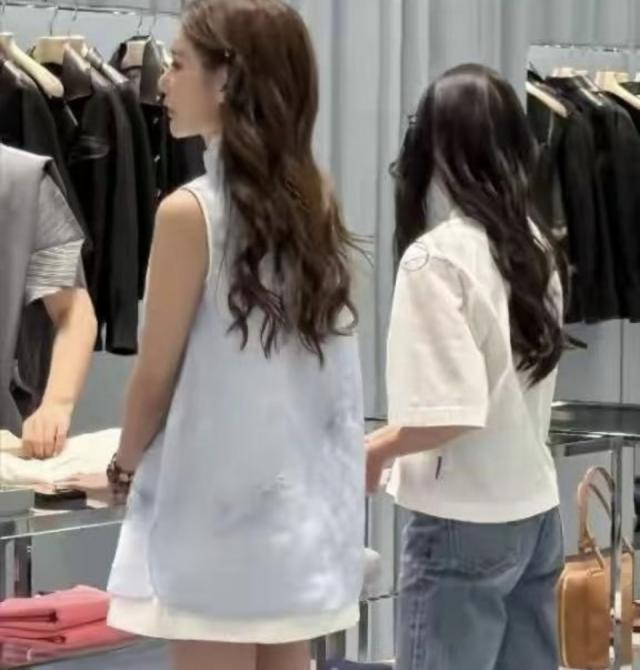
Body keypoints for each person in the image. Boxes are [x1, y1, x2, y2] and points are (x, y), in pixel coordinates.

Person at [105, 2, 365, 669]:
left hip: (214, 512)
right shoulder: (313, 201)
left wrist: (122, 466)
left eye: (178, 64)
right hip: (296, 514)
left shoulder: (189, 213)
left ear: (226, 80)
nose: (162, 81)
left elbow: (155, 375)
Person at [366, 64, 566, 670]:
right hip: (534, 512)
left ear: (436, 146)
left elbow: (447, 413)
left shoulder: (436, 260)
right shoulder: (535, 247)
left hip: (461, 518)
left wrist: (376, 448)